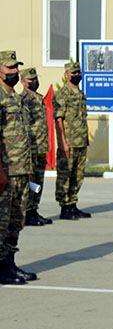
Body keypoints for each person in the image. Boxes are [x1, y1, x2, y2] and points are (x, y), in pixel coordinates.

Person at [0, 51, 37, 283]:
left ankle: (9, 265)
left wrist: (30, 167)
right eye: (9, 69)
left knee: (16, 220)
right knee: (2, 222)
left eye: (15, 68)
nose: (13, 72)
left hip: (23, 169)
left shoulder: (19, 99)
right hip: (6, 170)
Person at [54, 61, 91, 220]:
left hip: (81, 141)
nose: (76, 75)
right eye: (73, 73)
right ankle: (65, 207)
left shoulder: (81, 94)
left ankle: (73, 204)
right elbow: (59, 119)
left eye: (78, 72)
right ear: (66, 75)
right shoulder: (62, 94)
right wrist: (63, 142)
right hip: (69, 141)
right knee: (65, 174)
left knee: (78, 175)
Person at [21, 68, 53, 226]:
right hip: (30, 148)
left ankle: (34, 210)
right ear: (23, 82)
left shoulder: (40, 98)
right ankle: (27, 212)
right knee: (30, 181)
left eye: (35, 79)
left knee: (39, 181)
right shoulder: (22, 99)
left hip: (41, 147)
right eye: (30, 79)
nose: (34, 82)